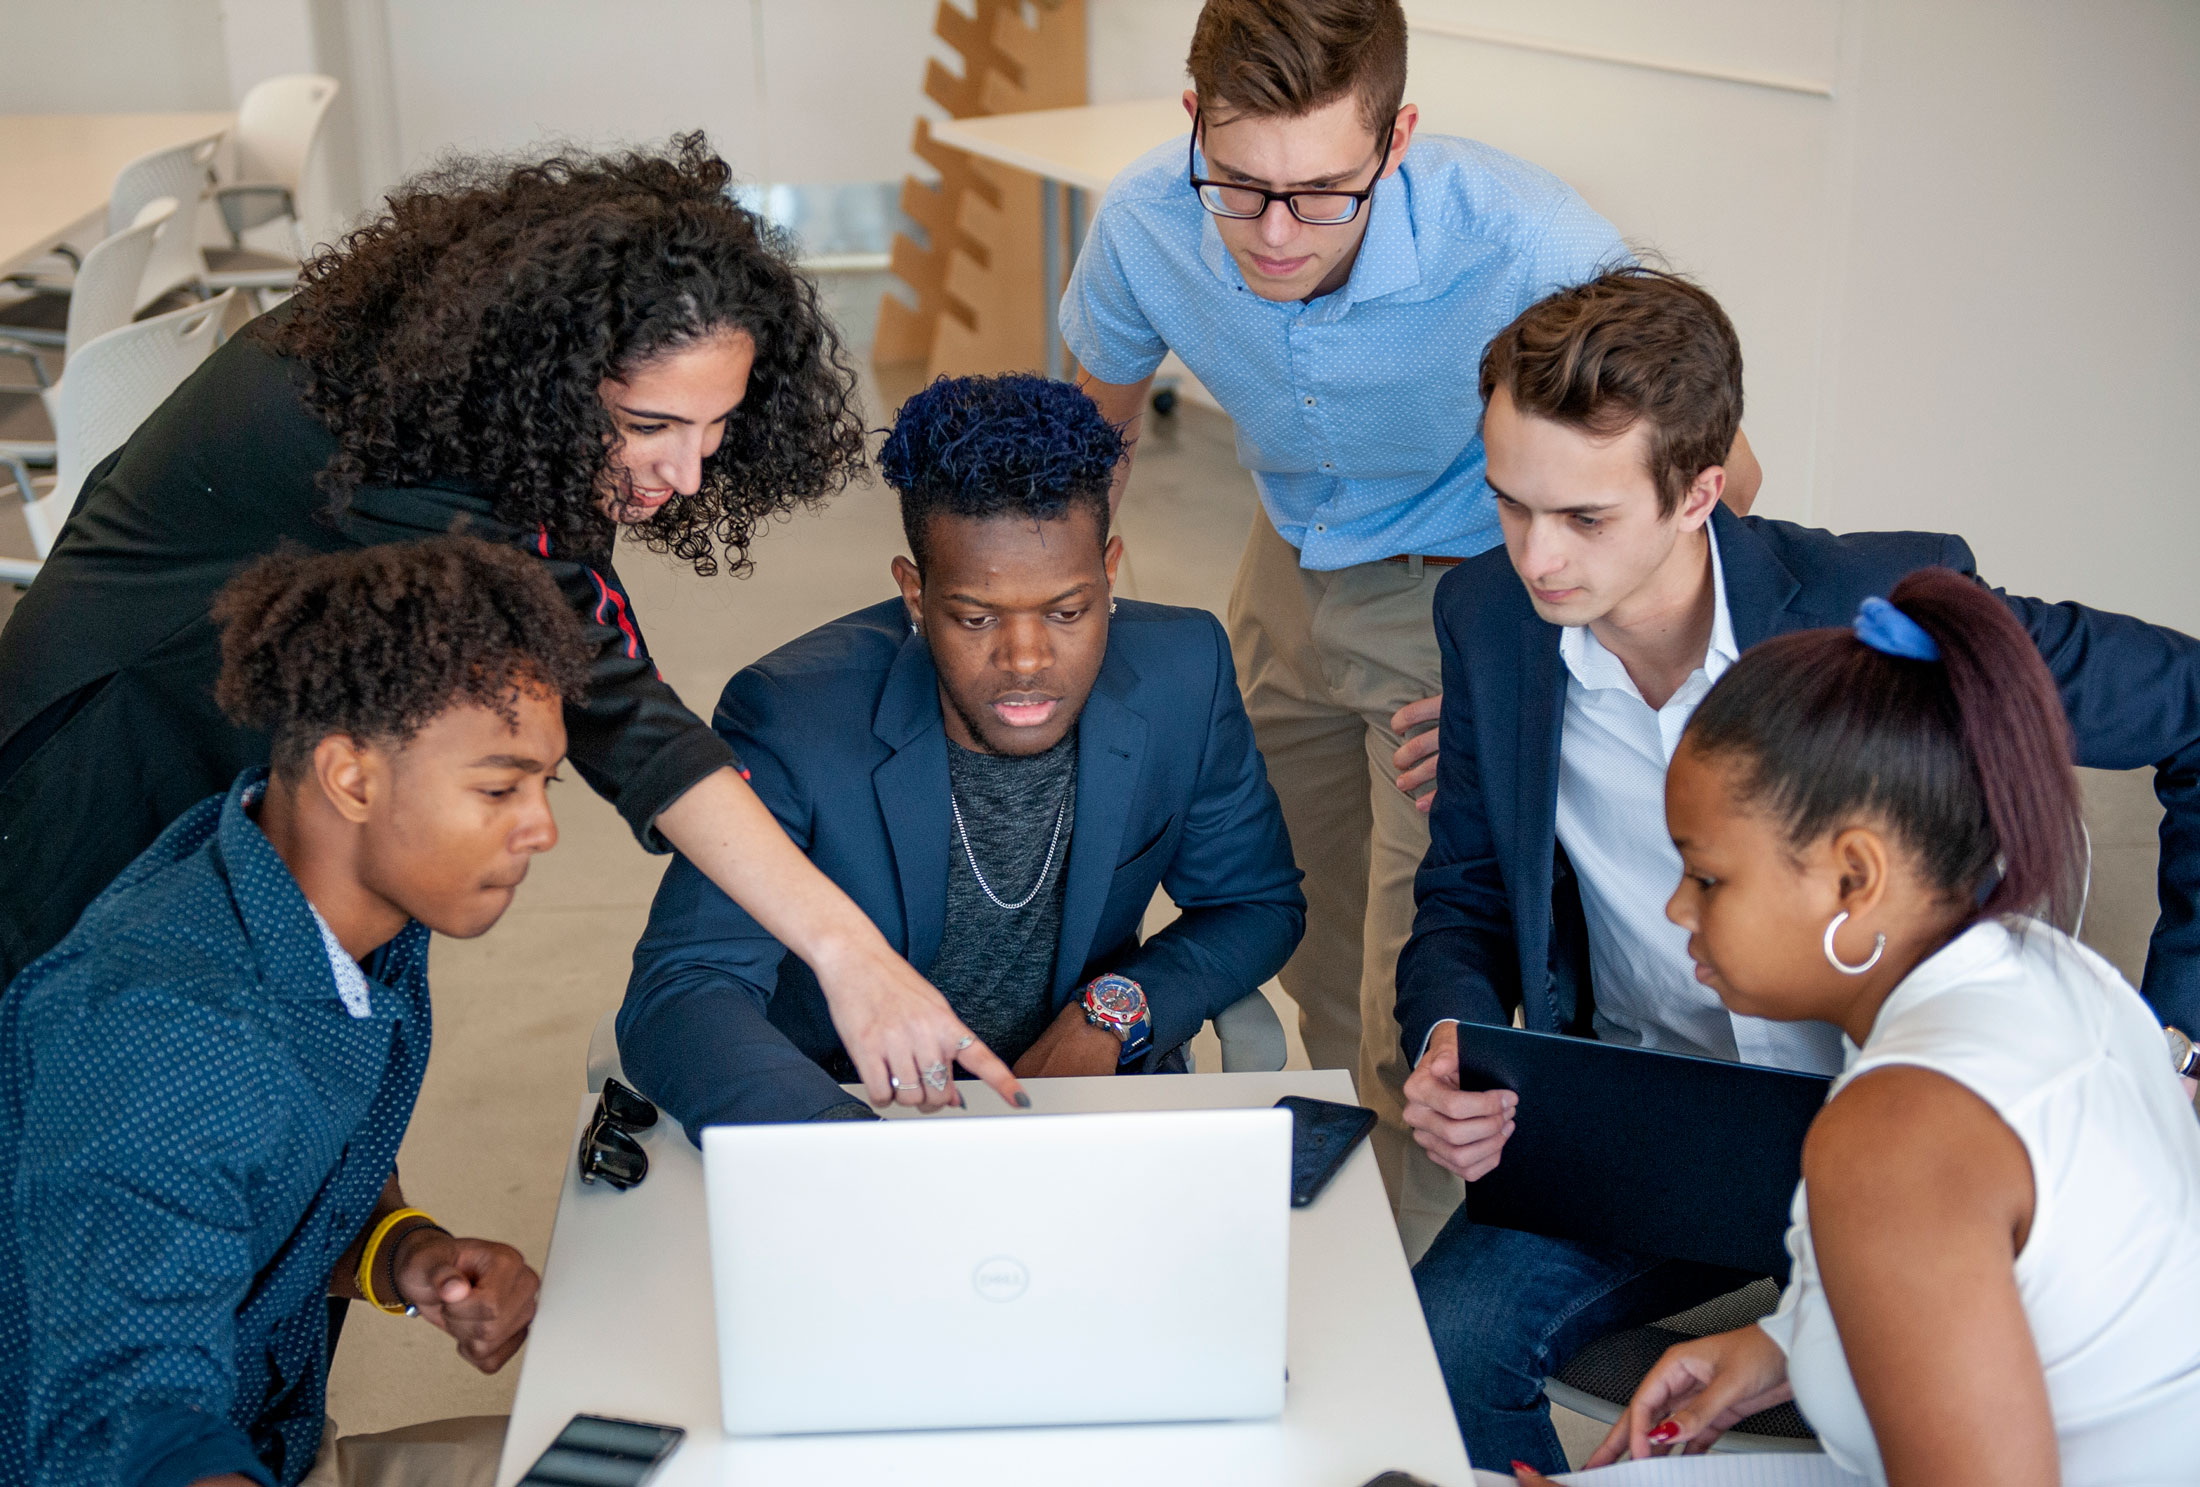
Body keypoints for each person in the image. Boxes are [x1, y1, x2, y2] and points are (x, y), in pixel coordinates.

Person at [0, 133, 1023, 1112]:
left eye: (717, 426)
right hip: (93, 769)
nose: (687, 471)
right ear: (557, 374)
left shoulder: (467, 380)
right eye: (651, 427)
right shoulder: (402, 449)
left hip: (227, 738)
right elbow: (619, 702)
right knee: (84, 1103)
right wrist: (846, 950)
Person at [1397, 268, 2200, 1472]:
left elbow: (2192, 706)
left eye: (1583, 518)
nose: (1531, 555)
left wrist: (2179, 1038)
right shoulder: (1487, 621)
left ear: (1699, 492)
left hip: (1908, 1116)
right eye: (1509, 502)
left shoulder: (1874, 607)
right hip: (1661, 1116)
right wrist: (1452, 1040)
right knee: (1435, 1342)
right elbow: (1462, 893)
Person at [1059, 0, 1761, 1247]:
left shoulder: (1527, 238)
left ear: (1397, 141)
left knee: (1418, 1006)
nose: (1275, 233)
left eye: (1324, 190)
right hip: (1284, 569)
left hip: (1471, 599)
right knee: (1300, 934)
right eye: (1238, 184)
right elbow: (1091, 438)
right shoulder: (1144, 223)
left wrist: (1526, 664)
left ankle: (1427, 1335)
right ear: (1192, 128)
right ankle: (1351, 1248)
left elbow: (1718, 485)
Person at [1570, 571, 2200, 1485]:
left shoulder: (1902, 1125)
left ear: (1855, 878)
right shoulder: (2038, 967)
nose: (1675, 909)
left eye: (1707, 877)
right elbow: (2026, 1284)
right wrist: (1784, 1340)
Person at [0, 537, 591, 1487]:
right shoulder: (168, 1026)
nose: (543, 828)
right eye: (498, 787)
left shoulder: (325, 903)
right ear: (351, 777)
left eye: (543, 784)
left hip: (270, 1441)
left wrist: (406, 1252)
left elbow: (251, 1185)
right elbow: (127, 1427)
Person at [619, 375, 1305, 1130]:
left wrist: (1110, 1015)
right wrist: (852, 1153)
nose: (1025, 658)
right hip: (856, 1110)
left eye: (1068, 611)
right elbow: (683, 989)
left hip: (1085, 1113)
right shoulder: (792, 716)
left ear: (1109, 571)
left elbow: (1254, 902)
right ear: (915, 594)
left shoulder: (1184, 671)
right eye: (976, 617)